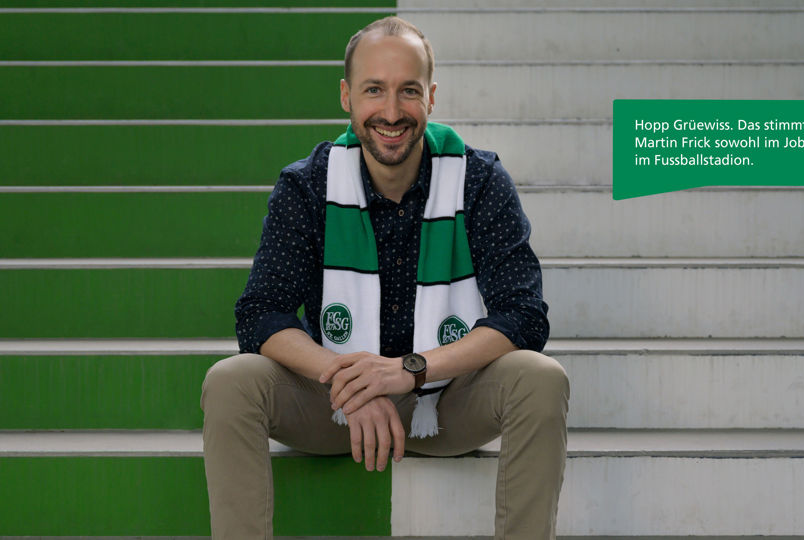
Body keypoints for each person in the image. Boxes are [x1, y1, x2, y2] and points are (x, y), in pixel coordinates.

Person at [200, 16, 569, 540]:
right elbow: (261, 314)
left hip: (447, 401)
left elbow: (523, 315)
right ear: (347, 96)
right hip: (332, 405)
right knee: (230, 382)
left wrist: (408, 372)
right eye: (375, 90)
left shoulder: (479, 180)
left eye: (408, 91)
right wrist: (354, 381)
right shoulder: (307, 186)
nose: (392, 113)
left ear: (432, 97)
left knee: (540, 377)